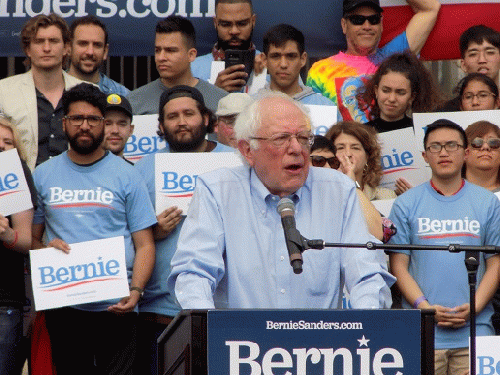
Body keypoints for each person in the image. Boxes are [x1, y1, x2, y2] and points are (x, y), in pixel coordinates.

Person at [167, 91, 395, 309]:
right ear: (247, 150)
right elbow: (194, 273)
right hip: (241, 343)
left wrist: (365, 325)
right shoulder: (217, 191)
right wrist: (208, 329)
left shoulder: (338, 190)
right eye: (281, 139)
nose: (297, 149)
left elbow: (366, 272)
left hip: (322, 345)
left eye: (303, 138)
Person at [32, 83, 156, 374]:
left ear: (103, 124)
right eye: (76, 119)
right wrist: (44, 250)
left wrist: (136, 291)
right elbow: (32, 241)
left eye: (93, 119)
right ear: (64, 123)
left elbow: (146, 244)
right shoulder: (43, 174)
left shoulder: (128, 175)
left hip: (118, 306)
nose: (84, 126)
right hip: (64, 307)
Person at [387, 119, 500, 375]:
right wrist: (425, 308)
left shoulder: (487, 203)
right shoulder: (406, 204)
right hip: (422, 332)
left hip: (476, 331)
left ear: (466, 152)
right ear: (425, 155)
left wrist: (475, 307)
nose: (444, 152)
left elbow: (495, 263)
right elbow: (398, 265)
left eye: (451, 145)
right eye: (435, 147)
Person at [134, 85, 233, 374]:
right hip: (160, 314)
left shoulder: (236, 163)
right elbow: (125, 235)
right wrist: (151, 232)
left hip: (224, 312)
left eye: (189, 114)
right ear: (161, 126)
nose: (181, 122)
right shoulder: (143, 169)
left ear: (206, 118)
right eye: (172, 116)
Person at [307, 0, 440, 122]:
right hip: (344, 146)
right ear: (344, 25)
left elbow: (430, 9)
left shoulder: (394, 57)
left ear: (381, 24)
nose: (367, 26)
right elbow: (316, 126)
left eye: (373, 20)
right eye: (358, 20)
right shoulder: (320, 71)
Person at [0, 13, 83, 171]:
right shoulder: (3, 92)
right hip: (21, 185)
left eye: (53, 41)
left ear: (66, 48)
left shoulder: (86, 91)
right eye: (39, 41)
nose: (46, 48)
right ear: (27, 49)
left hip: (74, 188)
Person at [128, 15, 227, 115]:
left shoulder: (220, 101)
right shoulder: (134, 101)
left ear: (191, 55)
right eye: (157, 50)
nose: (161, 57)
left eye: (171, 51)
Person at [0, 118, 36, 375]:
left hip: (4, 301)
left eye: (7, 142)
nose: (0, 147)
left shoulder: (18, 175)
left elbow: (26, 242)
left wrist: (6, 233)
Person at [310, 135, 388, 242]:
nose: (328, 167)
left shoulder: (343, 196)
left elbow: (377, 234)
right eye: (319, 161)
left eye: (333, 162)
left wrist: (350, 183)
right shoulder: (292, 197)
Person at [463, 121, 500, 336]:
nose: (485, 148)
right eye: (476, 143)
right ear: (464, 152)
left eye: (494, 144)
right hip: (465, 286)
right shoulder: (444, 194)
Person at [191, 0, 264, 93]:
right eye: (225, 24)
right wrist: (215, 93)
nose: (234, 31)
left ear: (253, 21)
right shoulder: (192, 69)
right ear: (215, 23)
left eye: (242, 23)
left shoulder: (270, 66)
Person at [362, 52, 442, 132]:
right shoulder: (362, 134)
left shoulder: (421, 133)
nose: (392, 99)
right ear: (376, 91)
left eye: (400, 93)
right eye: (386, 91)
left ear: (412, 97)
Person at [260, 24, 334, 105]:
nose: (283, 64)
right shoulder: (249, 106)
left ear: (303, 59)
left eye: (291, 56)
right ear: (264, 60)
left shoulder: (325, 108)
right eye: (276, 56)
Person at [326, 121, 397, 200]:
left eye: (355, 148)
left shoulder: (386, 197)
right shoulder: (321, 195)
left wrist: (352, 185)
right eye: (340, 148)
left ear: (368, 156)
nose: (348, 153)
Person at [441, 25, 500, 111]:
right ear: (463, 65)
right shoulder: (446, 112)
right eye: (473, 54)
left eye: (490, 52)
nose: (482, 60)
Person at [68, 15, 130, 96]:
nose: (90, 52)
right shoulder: (51, 91)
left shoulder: (123, 95)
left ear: (105, 51)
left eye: (97, 45)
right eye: (83, 44)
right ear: (68, 48)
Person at [102, 93, 135, 158]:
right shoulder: (81, 168)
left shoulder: (135, 168)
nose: (115, 131)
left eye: (122, 124)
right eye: (107, 124)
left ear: (131, 130)